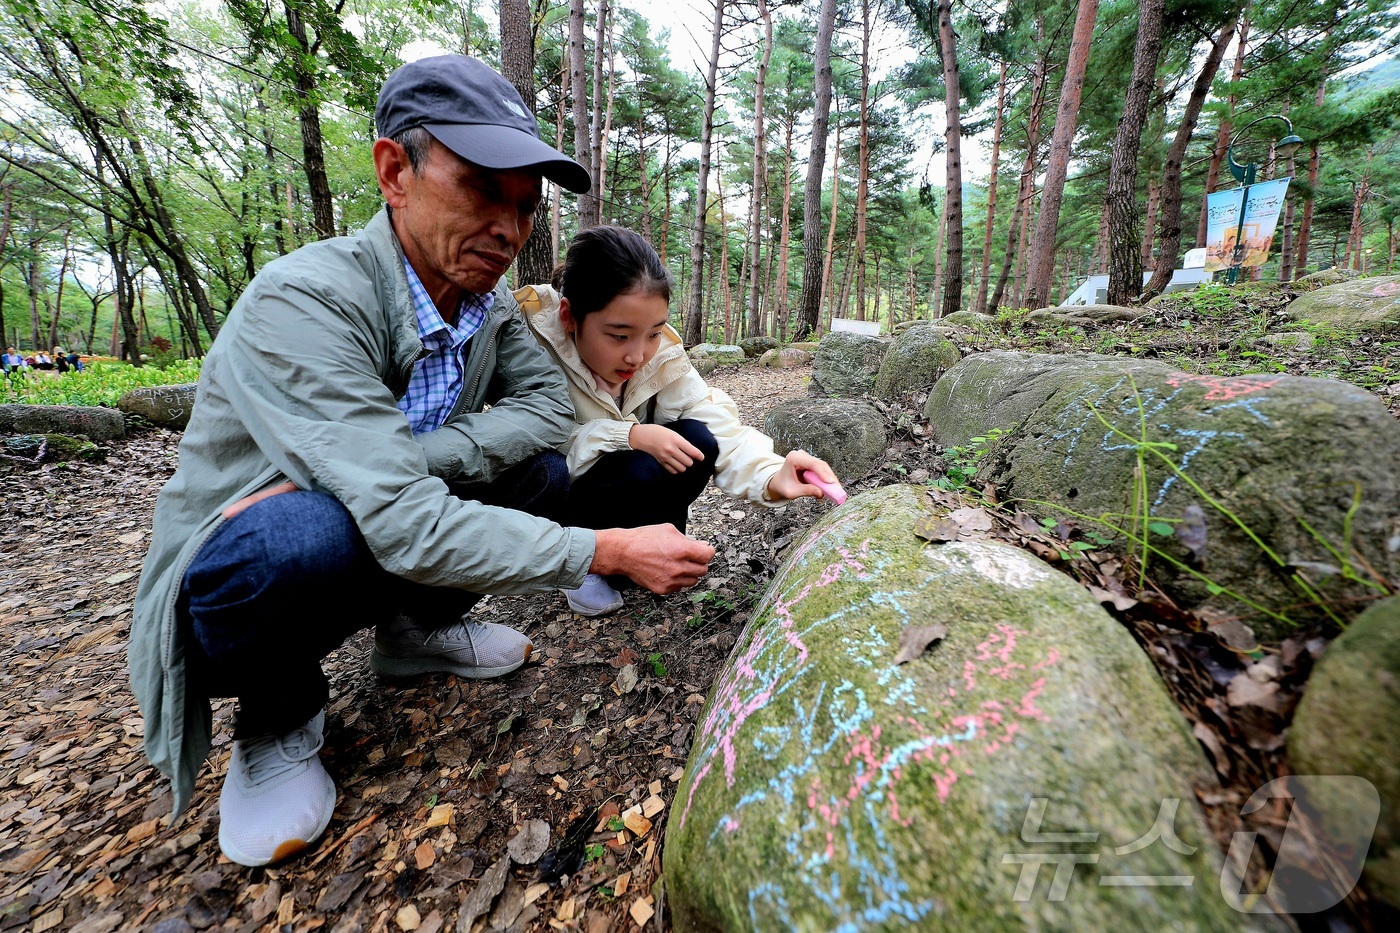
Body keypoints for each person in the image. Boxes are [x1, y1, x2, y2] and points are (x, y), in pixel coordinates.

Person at [129, 55, 714, 869]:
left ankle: (416, 631)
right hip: (264, 544)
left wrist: (415, 456)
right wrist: (606, 550)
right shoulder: (306, 299)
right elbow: (401, 519)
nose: (508, 230)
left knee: (540, 475)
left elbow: (546, 414)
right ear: (393, 170)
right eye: (482, 189)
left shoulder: (487, 310)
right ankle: (278, 718)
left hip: (393, 506)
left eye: (524, 207)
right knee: (291, 542)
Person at [516, 226, 839, 617]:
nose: (638, 355)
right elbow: (535, 441)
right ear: (570, 316)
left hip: (625, 479)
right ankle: (584, 564)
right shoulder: (531, 348)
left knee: (696, 437)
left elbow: (715, 420)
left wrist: (773, 474)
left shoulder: (660, 355)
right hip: (572, 492)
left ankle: (650, 548)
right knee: (547, 469)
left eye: (653, 333)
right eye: (619, 336)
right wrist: (631, 434)